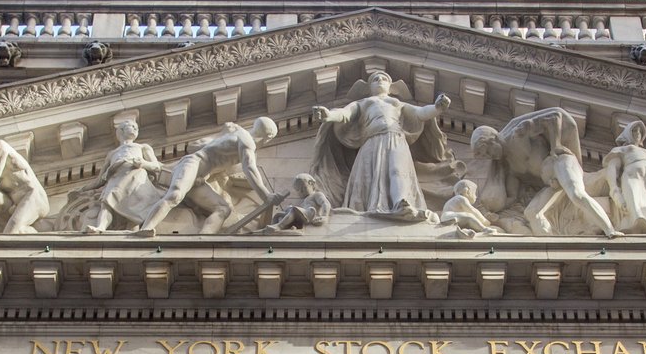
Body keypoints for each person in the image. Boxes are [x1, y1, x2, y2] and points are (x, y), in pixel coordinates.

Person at [309, 69, 451, 221]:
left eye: (384, 78)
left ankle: (401, 202)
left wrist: (437, 108)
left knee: (398, 170)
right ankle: (367, 206)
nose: (380, 80)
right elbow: (345, 114)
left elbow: (420, 113)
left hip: (396, 139)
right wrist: (329, 115)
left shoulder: (396, 103)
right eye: (375, 79)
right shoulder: (364, 102)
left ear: (390, 87)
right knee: (368, 175)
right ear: (369, 87)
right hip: (372, 141)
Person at [467, 109, 619, 238]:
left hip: (559, 163)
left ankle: (610, 230)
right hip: (551, 184)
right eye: (486, 156)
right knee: (532, 213)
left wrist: (555, 145)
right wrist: (490, 214)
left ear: (493, 139)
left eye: (488, 151)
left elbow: (554, 116)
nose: (491, 157)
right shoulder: (510, 167)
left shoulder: (518, 134)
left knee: (577, 194)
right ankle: (553, 250)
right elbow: (512, 197)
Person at [136, 117, 278, 234]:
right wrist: (266, 195)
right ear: (268, 137)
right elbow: (250, 168)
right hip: (193, 164)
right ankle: (145, 229)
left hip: (198, 179)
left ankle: (203, 239)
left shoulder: (237, 133)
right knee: (175, 195)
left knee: (223, 209)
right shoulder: (247, 142)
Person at [83, 114, 169, 233]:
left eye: (136, 128)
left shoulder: (142, 147)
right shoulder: (112, 154)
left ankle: (136, 231)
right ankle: (101, 227)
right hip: (116, 179)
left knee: (136, 206)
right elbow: (99, 180)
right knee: (107, 203)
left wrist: (143, 163)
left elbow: (156, 166)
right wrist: (82, 189)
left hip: (136, 179)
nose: (135, 129)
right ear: (121, 130)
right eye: (132, 126)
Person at [254, 173, 333, 232]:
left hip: (310, 214)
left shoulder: (316, 195)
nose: (301, 192)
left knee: (294, 210)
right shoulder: (303, 202)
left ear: (311, 183)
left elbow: (325, 203)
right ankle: (271, 229)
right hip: (303, 216)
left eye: (303, 188)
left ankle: (279, 226)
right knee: (278, 215)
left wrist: (324, 216)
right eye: (298, 190)